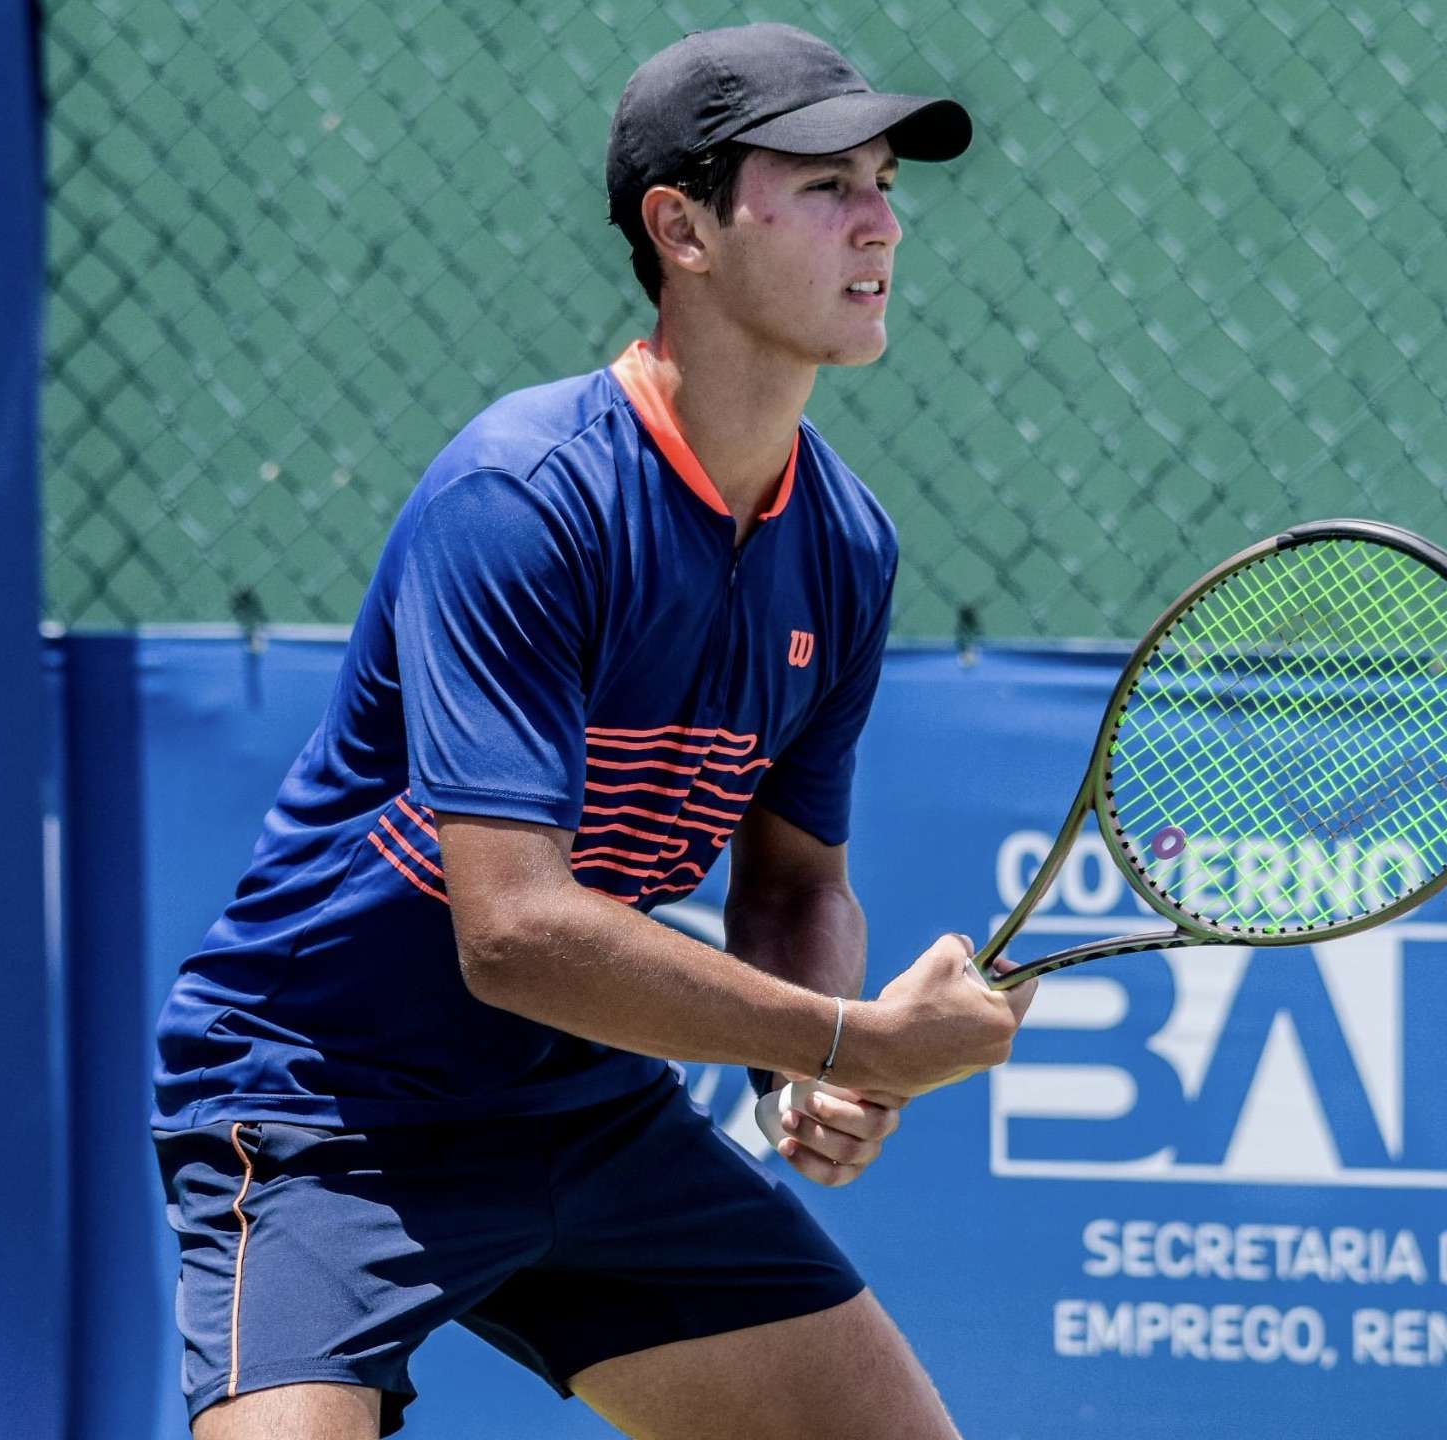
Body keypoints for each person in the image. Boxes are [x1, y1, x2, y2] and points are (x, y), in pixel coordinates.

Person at [153, 23, 1036, 1439]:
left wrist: (803, 1069)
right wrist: (847, 1038)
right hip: (330, 1112)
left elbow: (794, 881)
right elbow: (510, 932)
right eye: (822, 185)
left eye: (881, 181)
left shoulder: (844, 547)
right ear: (680, 229)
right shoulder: (522, 498)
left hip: (588, 1111)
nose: (878, 221)